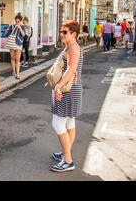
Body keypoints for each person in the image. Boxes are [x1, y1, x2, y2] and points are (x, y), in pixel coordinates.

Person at [50, 20, 83, 172]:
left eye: (65, 32)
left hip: (68, 90)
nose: (61, 34)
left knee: (57, 123)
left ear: (73, 34)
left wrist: (59, 85)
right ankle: (65, 152)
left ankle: (68, 160)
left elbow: (71, 70)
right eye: (61, 31)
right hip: (71, 89)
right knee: (69, 123)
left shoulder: (73, 48)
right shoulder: (70, 46)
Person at [5, 13, 26, 79]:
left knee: (18, 59)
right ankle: (13, 71)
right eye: (16, 21)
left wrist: (20, 28)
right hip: (11, 43)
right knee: (12, 58)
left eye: (18, 21)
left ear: (20, 21)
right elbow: (7, 34)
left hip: (19, 44)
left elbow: (23, 35)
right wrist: (7, 30)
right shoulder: (12, 26)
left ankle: (17, 74)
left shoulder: (22, 27)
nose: (17, 22)